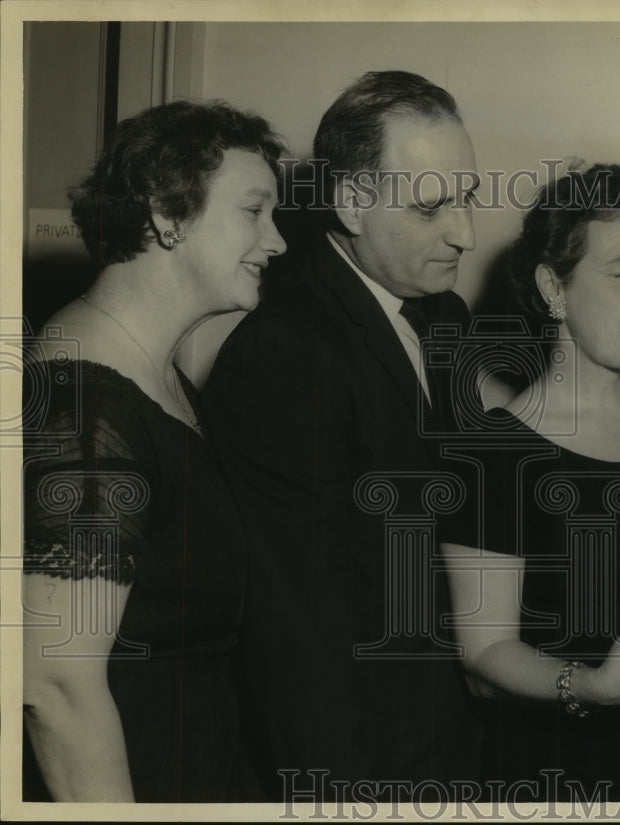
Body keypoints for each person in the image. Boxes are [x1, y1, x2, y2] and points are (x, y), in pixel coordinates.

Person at [201, 70, 482, 799]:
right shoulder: (288, 352)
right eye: (432, 208)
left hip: (450, 734)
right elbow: (295, 634)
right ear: (352, 202)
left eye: (468, 199)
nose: (467, 234)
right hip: (365, 763)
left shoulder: (445, 315)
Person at [439, 164, 620, 800]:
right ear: (554, 285)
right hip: (563, 773)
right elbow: (484, 656)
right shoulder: (494, 448)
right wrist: (596, 687)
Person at [21, 100, 287, 801]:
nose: (278, 241)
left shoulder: (156, 378)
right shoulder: (86, 409)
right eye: (255, 211)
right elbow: (54, 686)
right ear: (168, 215)